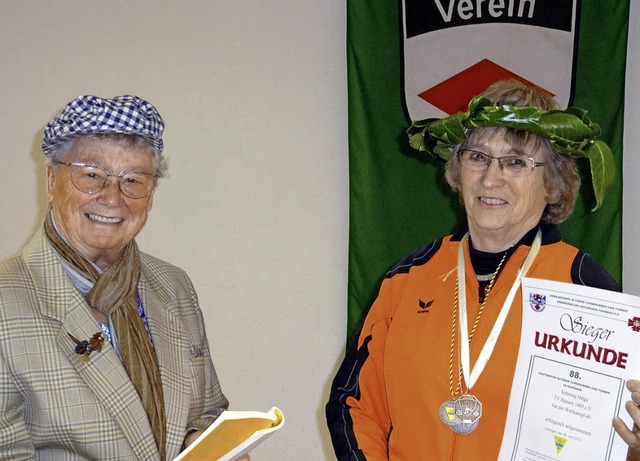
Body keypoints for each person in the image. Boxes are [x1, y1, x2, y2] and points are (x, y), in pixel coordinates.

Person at [326, 80, 640, 460]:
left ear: (553, 182)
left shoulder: (586, 287)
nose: (491, 179)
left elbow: (613, 436)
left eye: (516, 162)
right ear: (458, 170)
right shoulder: (408, 278)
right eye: (477, 157)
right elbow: (354, 405)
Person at [0, 95, 229, 460]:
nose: (112, 197)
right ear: (50, 180)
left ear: (151, 194)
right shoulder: (6, 299)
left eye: (133, 179)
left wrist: (203, 444)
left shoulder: (173, 285)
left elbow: (206, 411)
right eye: (91, 175)